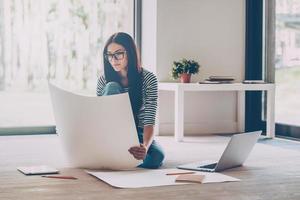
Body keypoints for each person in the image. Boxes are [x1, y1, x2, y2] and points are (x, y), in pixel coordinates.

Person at [96, 32, 165, 169]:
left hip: (136, 133)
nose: (113, 59)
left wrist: (144, 147)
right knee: (112, 87)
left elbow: (149, 121)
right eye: (109, 55)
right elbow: (100, 115)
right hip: (110, 133)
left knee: (156, 157)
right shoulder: (104, 80)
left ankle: (118, 155)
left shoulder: (148, 79)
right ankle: (114, 151)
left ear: (130, 53)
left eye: (118, 54)